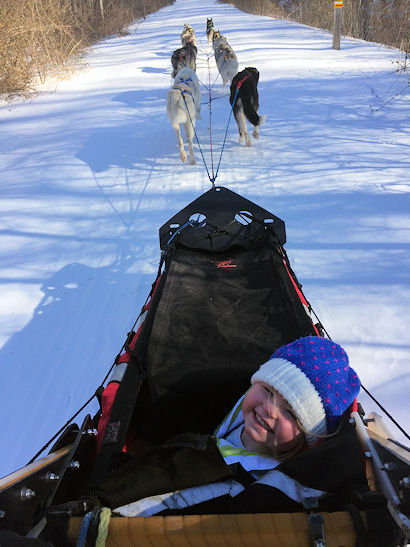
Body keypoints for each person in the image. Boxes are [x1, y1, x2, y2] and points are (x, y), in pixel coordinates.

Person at [89, 336, 363, 517]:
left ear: (310, 437)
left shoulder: (257, 484)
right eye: (268, 390)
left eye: (291, 411)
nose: (270, 409)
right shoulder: (245, 408)